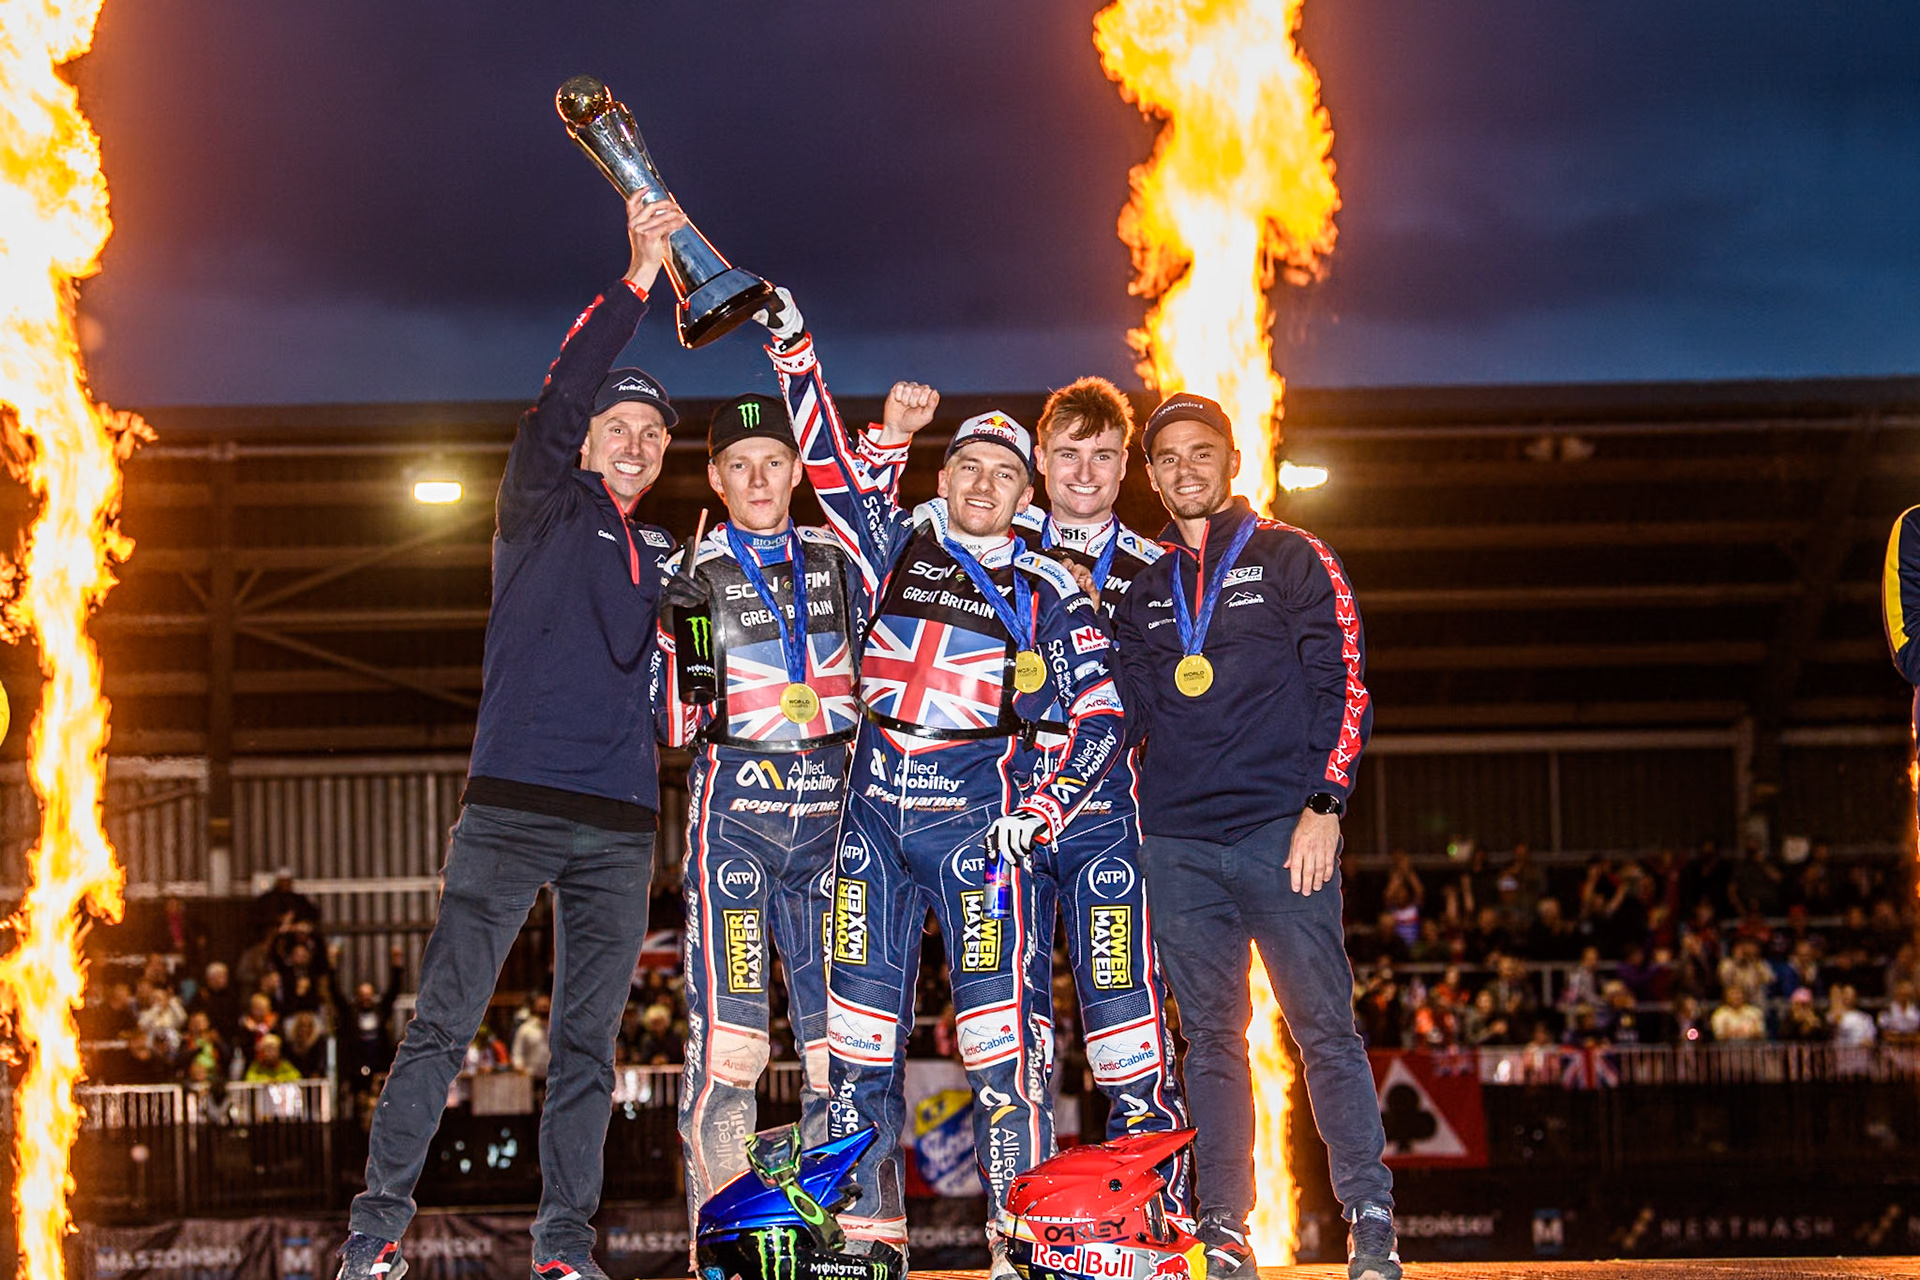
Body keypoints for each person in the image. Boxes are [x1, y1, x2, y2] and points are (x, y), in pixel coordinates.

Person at [335, 192, 689, 1280]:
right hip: (511, 807)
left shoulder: (670, 559)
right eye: (616, 426)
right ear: (584, 438)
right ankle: (373, 1236)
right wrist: (638, 278)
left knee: (590, 1049)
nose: (632, 442)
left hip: (623, 828)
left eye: (652, 433)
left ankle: (562, 1251)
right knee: (442, 1027)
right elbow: (564, 387)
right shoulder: (539, 502)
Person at [762, 294, 1125, 1271]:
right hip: (869, 834)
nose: (982, 482)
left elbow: (1101, 717)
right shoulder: (897, 540)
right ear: (946, 473)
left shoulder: (1055, 589)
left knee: (1007, 1057)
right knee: (858, 1055)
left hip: (980, 841)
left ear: (1026, 492)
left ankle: (1021, 1242)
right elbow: (831, 466)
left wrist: (1042, 809)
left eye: (1005, 472)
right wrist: (797, 348)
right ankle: (870, 1242)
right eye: (967, 464)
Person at [1110, 393, 1397, 1280]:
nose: (1185, 469)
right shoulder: (1145, 590)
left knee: (1324, 1031)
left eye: (1202, 453)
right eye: (1168, 459)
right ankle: (1226, 1228)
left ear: (1232, 463)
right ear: (1151, 477)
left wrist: (1326, 804)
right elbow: (1122, 715)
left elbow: (1346, 683)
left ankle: (1372, 1218)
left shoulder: (1291, 555)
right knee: (1213, 1039)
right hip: (1179, 845)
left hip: (1284, 834)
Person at [651, 392, 866, 1235]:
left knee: (834, 1053)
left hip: (831, 829)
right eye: (739, 466)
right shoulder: (698, 572)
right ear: (715, 477)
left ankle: (826, 1235)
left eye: (774, 461)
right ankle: (726, 1239)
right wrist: (674, 628)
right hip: (737, 821)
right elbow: (674, 726)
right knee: (734, 1051)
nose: (759, 478)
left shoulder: (836, 557)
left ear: (796, 471)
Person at [1010, 377, 1190, 1212]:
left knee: (1127, 1032)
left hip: (1112, 818)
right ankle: (1019, 1229)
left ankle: (1152, 1218)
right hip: (1000, 816)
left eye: (1104, 455)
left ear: (1128, 468)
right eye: (1069, 453)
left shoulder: (1163, 570)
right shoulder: (989, 545)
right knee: (1010, 1041)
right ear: (1040, 460)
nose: (1085, 470)